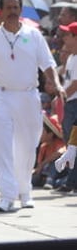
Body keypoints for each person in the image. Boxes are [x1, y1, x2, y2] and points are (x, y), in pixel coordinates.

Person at [0, 0, 64, 213]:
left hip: (28, 96)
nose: (13, 11)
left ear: (20, 9)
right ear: (1, 11)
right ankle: (7, 196)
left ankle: (24, 191)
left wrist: (55, 83)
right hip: (0, 96)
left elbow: (48, 64)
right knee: (3, 146)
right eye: (8, 7)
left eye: (16, 7)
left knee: (27, 146)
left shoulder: (33, 36)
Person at [53, 21, 77, 193]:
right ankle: (71, 179)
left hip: (74, 103)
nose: (65, 37)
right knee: (71, 144)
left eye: (68, 34)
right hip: (69, 104)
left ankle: (72, 182)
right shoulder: (71, 57)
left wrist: (62, 97)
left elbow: (75, 84)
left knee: (73, 144)